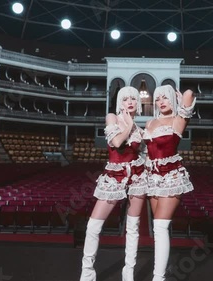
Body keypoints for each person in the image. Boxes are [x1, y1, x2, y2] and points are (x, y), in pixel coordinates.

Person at [80, 86, 148, 281]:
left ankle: (129, 274)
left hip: (137, 176)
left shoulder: (139, 129)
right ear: (120, 102)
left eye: (133, 98)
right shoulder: (112, 118)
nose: (130, 102)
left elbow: (143, 152)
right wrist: (128, 125)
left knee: (133, 228)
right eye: (126, 98)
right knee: (93, 226)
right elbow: (117, 143)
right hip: (114, 175)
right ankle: (87, 275)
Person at [143, 85, 195, 281]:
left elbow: (190, 94)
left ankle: (159, 278)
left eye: (165, 97)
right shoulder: (150, 122)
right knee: (157, 229)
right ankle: (160, 273)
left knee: (161, 226)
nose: (161, 101)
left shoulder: (178, 120)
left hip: (171, 176)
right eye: (158, 98)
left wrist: (182, 99)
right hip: (152, 179)